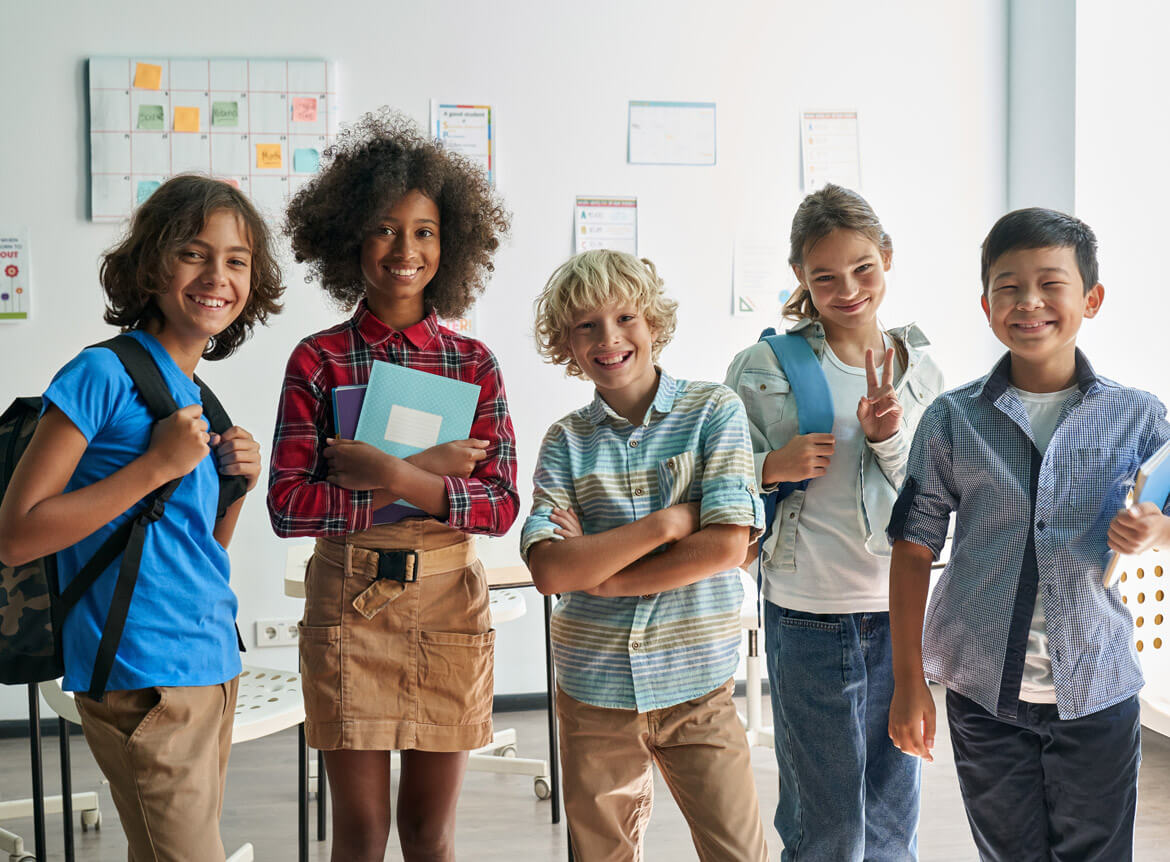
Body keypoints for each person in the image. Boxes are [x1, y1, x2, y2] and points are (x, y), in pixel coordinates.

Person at [0, 174, 283, 862]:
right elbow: (16, 533)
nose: (217, 275)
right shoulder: (101, 374)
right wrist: (156, 466)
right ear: (150, 266)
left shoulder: (195, 393)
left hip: (210, 661)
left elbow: (188, 549)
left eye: (237, 260)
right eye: (194, 253)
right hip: (141, 674)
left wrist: (236, 488)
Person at [268, 109, 517, 862]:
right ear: (350, 237)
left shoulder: (474, 363)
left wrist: (395, 472)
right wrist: (409, 478)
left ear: (451, 244)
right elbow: (286, 507)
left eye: (425, 232)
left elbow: (502, 505)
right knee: (361, 836)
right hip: (350, 606)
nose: (404, 250)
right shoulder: (318, 362)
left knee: (430, 837)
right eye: (384, 229)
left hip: (448, 607)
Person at [887, 207, 1168, 861]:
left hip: (1099, 689)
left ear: (1090, 299)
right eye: (1008, 286)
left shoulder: (1137, 416)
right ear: (986, 305)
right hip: (984, 695)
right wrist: (908, 682)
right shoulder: (953, 418)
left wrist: (1157, 530)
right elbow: (912, 547)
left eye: (1050, 283)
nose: (1029, 302)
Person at [521, 249, 769, 861]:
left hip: (699, 688)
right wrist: (668, 522)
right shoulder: (564, 441)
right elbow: (552, 569)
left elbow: (727, 544)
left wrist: (602, 575)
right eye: (587, 326)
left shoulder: (715, 411)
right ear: (568, 345)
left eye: (626, 317)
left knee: (739, 852)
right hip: (592, 691)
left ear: (653, 324)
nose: (609, 338)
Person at [725, 184, 943, 860]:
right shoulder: (764, 367)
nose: (847, 289)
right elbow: (714, 479)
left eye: (862, 269)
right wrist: (772, 464)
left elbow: (931, 498)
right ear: (800, 277)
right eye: (825, 276)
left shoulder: (920, 371)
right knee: (829, 829)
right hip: (807, 613)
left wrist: (886, 438)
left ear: (887, 258)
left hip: (898, 613)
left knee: (890, 823)